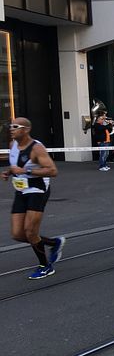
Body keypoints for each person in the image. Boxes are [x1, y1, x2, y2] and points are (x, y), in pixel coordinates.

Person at [2, 118, 65, 279]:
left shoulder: (36, 148)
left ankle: (45, 266)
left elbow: (52, 171)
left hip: (38, 189)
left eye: (15, 127)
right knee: (17, 234)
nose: (11, 129)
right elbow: (18, 165)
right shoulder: (12, 145)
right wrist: (10, 172)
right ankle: (54, 243)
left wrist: (26, 172)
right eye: (11, 126)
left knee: (30, 231)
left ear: (26, 129)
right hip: (21, 191)